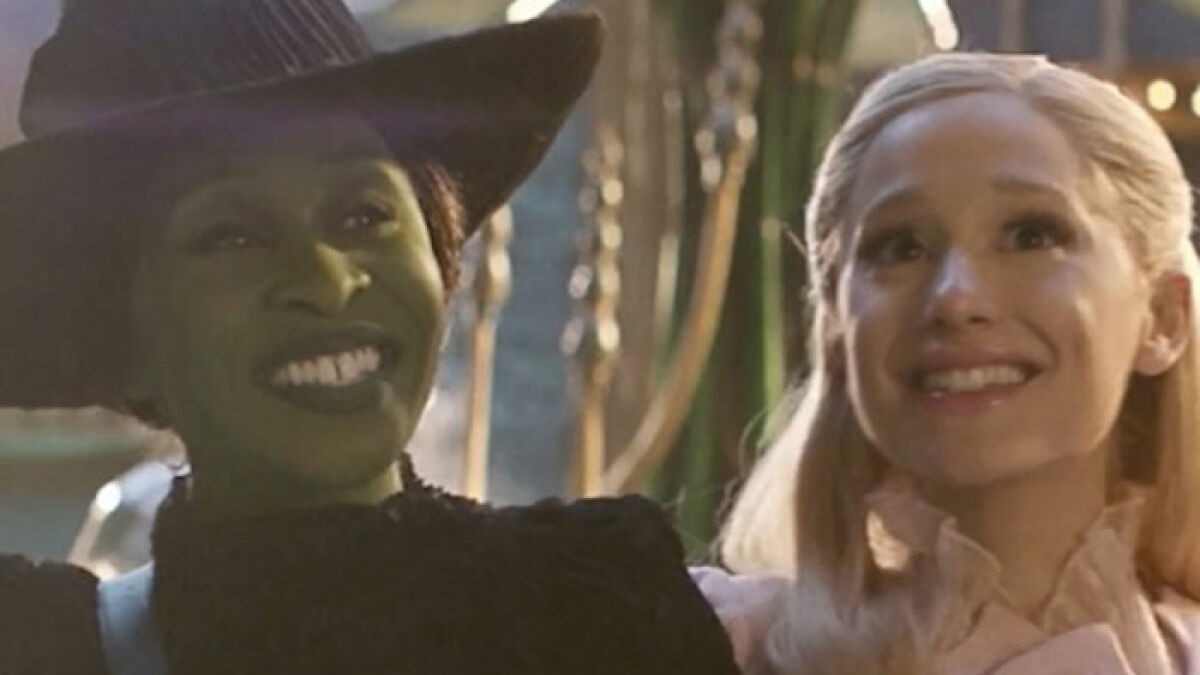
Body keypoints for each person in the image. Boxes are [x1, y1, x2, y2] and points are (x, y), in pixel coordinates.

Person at [0, 1, 740, 674]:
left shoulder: (602, 607)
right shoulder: (46, 648)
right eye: (232, 236)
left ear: (439, 253)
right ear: (122, 333)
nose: (326, 278)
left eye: (363, 216)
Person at [698, 52, 1200, 674]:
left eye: (1031, 235)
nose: (956, 299)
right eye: (899, 246)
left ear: (1164, 317)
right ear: (837, 327)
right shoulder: (695, 646)